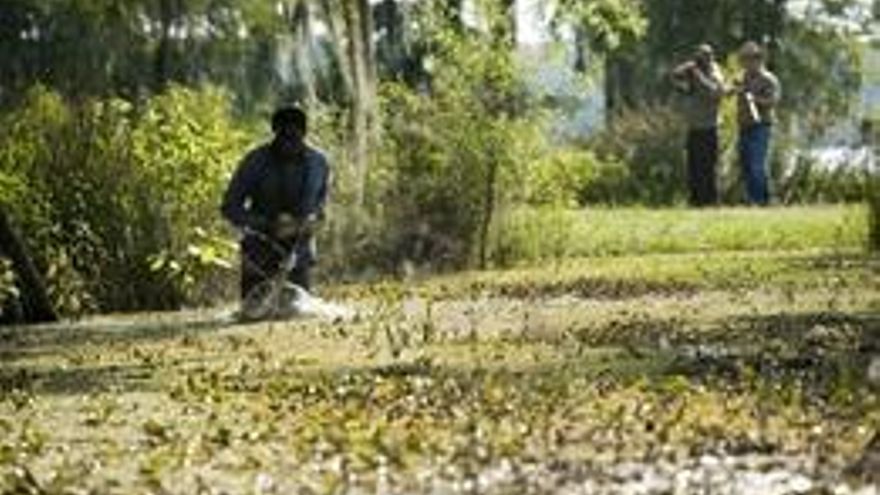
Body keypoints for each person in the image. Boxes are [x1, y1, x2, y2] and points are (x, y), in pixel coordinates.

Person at [221, 106, 329, 300]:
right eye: (283, 136)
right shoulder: (254, 161)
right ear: (274, 133)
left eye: (294, 137)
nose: (288, 144)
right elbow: (230, 207)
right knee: (252, 316)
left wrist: (307, 222)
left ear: (304, 134)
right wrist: (267, 224)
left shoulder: (319, 163)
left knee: (297, 316)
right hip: (259, 253)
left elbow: (320, 208)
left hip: (298, 255)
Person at [671, 44, 727, 207]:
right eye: (698, 58)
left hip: (709, 128)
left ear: (710, 58)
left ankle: (711, 201)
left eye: (703, 58)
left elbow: (715, 93)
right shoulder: (692, 74)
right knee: (693, 167)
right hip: (694, 127)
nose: (700, 61)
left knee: (708, 167)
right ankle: (695, 201)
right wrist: (684, 69)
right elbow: (675, 78)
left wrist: (698, 76)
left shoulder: (715, 73)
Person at [734, 41, 781, 206]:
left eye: (751, 58)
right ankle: (752, 200)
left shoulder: (768, 79)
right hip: (744, 127)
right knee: (746, 165)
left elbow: (773, 101)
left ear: (758, 59)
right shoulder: (742, 78)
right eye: (744, 58)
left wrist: (755, 99)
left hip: (761, 127)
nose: (747, 62)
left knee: (757, 166)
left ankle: (763, 201)